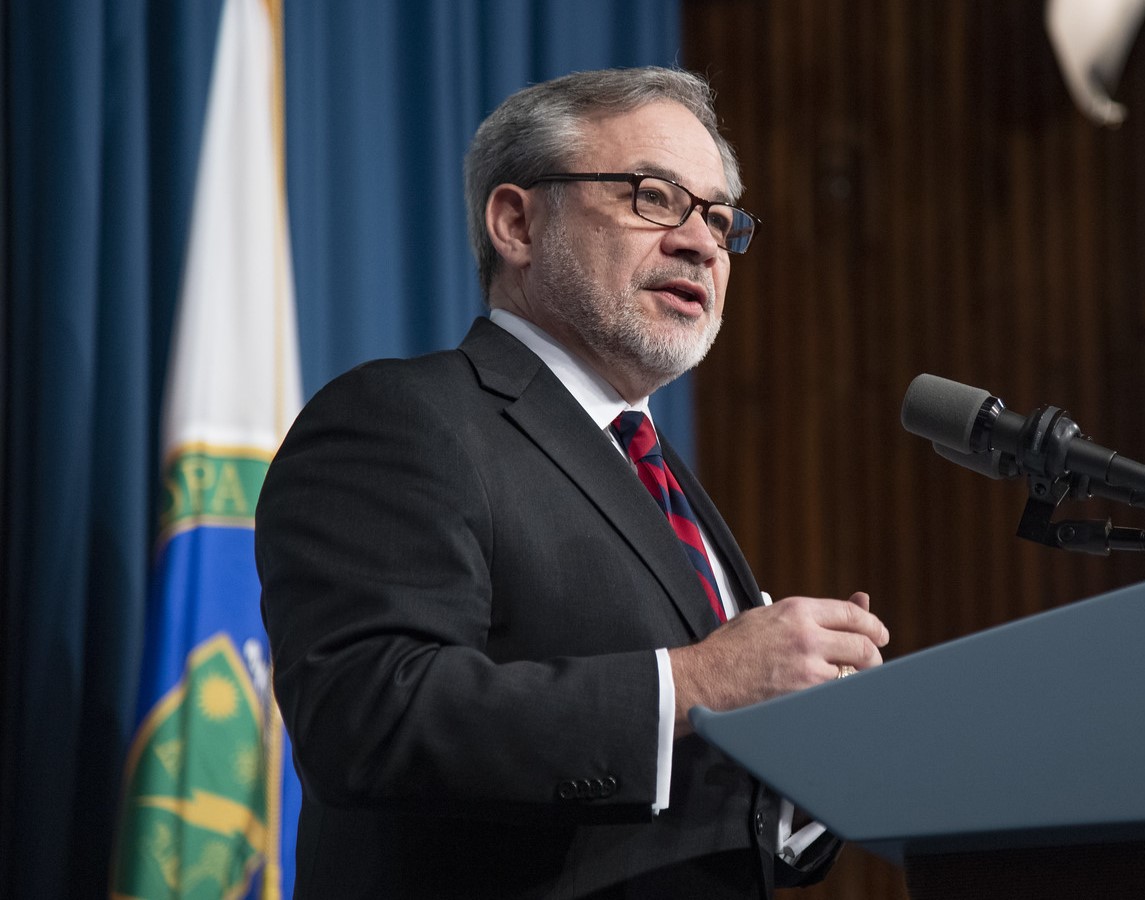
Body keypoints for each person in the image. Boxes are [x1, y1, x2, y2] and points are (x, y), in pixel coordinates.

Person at [256, 66, 890, 899]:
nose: (701, 242)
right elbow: (367, 717)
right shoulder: (403, 418)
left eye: (720, 218)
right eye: (655, 197)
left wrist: (809, 757)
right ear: (516, 223)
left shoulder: (653, 470)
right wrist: (699, 682)